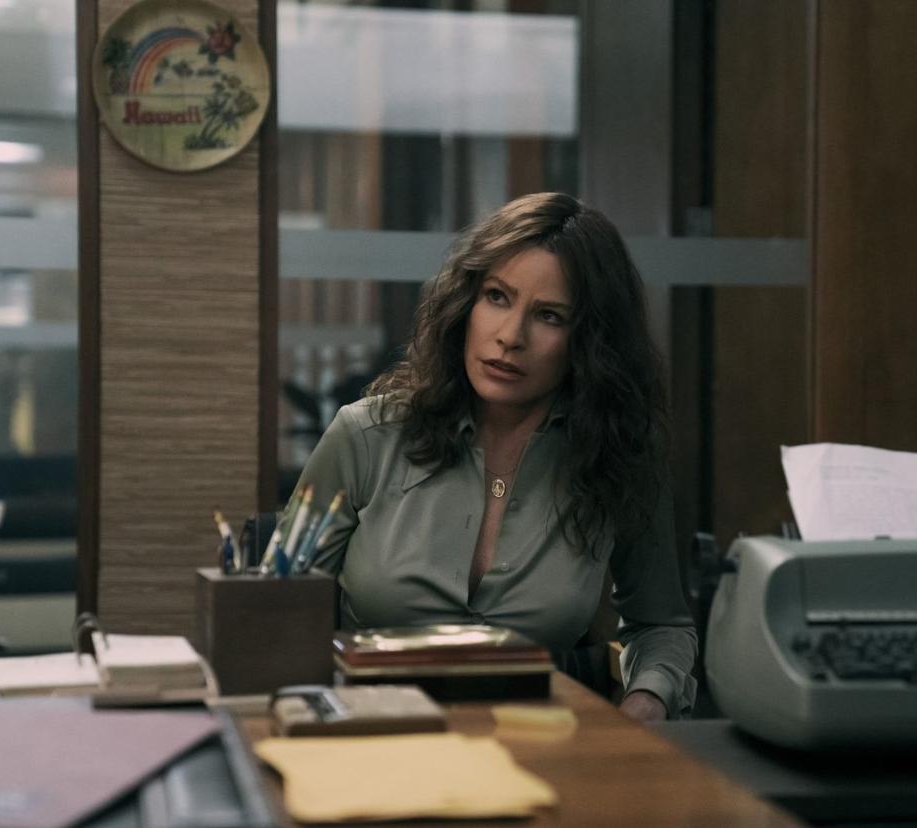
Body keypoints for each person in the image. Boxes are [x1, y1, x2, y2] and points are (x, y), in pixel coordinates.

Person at [277, 192, 696, 721]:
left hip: (540, 745)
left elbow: (662, 624)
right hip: (373, 735)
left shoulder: (619, 455)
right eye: (497, 297)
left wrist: (647, 700)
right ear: (465, 301)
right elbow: (277, 618)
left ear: (590, 341)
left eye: (548, 315)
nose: (509, 337)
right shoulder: (364, 436)